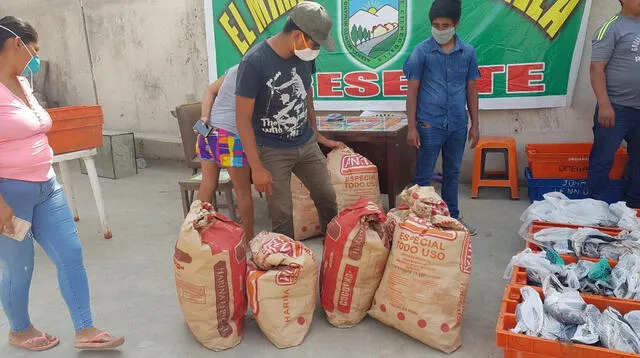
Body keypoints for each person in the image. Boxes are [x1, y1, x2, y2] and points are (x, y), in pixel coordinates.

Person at [0, 16, 124, 351]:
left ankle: (85, 328)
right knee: (19, 267)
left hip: (46, 188)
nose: (36, 58)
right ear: (16, 44)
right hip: (10, 195)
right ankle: (19, 329)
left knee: (71, 253)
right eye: (34, 50)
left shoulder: (23, 83)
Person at [235, 2, 344, 239]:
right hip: (271, 149)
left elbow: (307, 93)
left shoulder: (304, 55)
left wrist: (316, 133)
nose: (316, 49)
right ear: (297, 35)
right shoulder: (254, 62)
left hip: (305, 143)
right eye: (314, 43)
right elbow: (242, 119)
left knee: (327, 197)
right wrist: (257, 168)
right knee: (282, 213)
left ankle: (334, 252)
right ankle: (286, 267)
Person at [403, 0, 481, 235]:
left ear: (456, 24)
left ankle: (452, 219)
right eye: (435, 25)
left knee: (453, 174)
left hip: (457, 125)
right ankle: (420, 224)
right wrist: (412, 128)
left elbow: (472, 90)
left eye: (445, 24)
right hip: (429, 125)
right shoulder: (422, 51)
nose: (440, 29)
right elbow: (412, 91)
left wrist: (475, 125)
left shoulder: (467, 52)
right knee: (423, 177)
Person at [588, 0, 640, 208]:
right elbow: (596, 68)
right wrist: (604, 104)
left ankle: (635, 207)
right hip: (616, 108)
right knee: (603, 159)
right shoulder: (611, 28)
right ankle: (595, 207)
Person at [196, 64, 255, 238]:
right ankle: (249, 240)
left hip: (206, 133)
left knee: (207, 184)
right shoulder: (259, 74)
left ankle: (194, 232)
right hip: (229, 137)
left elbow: (210, 90)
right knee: (242, 190)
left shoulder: (235, 69)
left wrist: (204, 116)